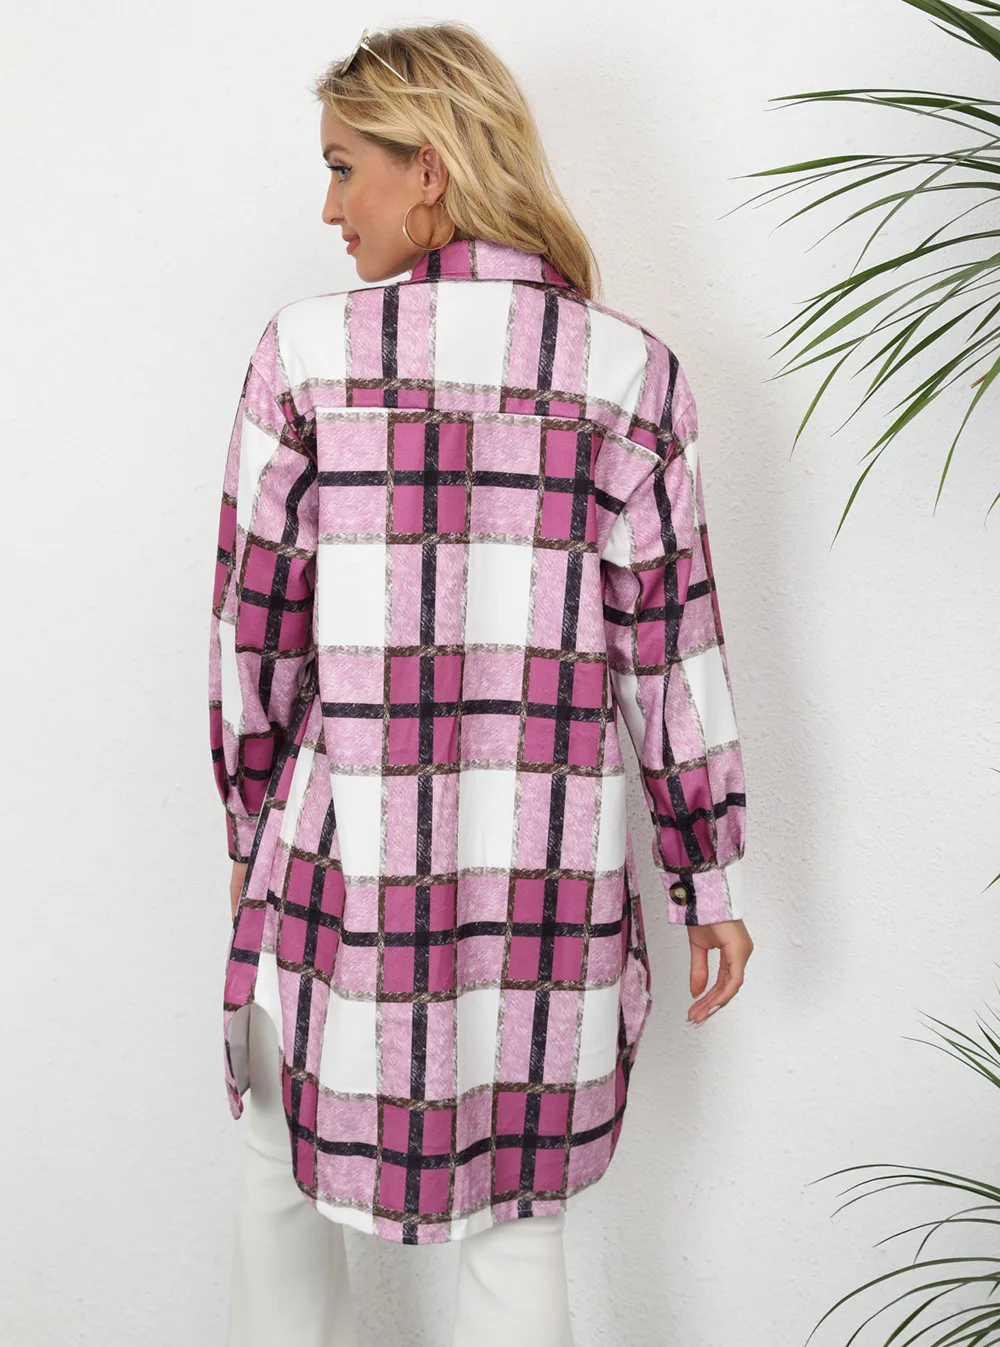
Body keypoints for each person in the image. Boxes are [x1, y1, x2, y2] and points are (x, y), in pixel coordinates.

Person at [208, 20, 755, 1347]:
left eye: (345, 167)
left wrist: (245, 826)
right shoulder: (629, 374)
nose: (329, 206)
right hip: (548, 873)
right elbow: (671, 648)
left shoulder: (307, 357)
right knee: (520, 1217)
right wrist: (709, 877)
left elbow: (252, 634)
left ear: (431, 166)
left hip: (339, 851)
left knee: (279, 1166)